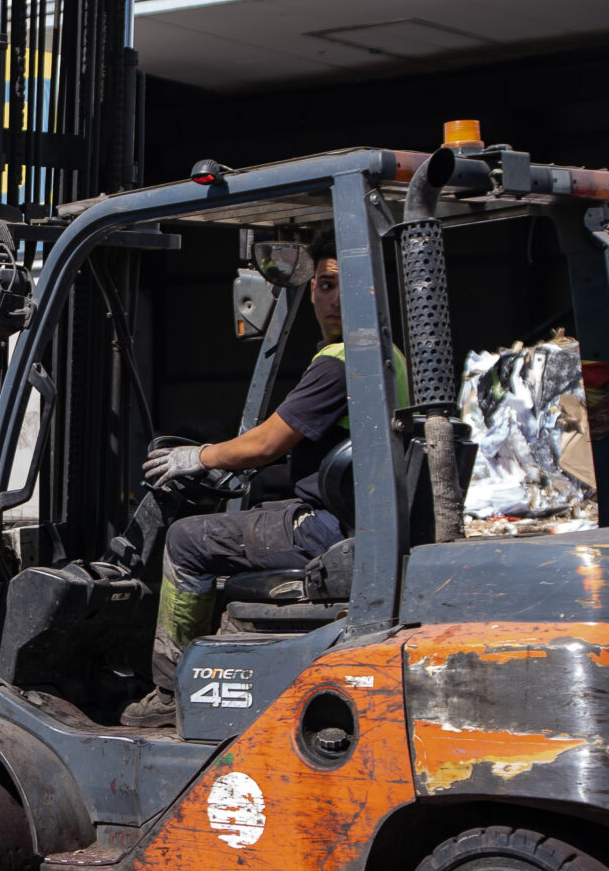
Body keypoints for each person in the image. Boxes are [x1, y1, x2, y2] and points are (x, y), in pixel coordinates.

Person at [125, 245, 405, 727]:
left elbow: (266, 443)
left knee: (187, 540)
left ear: (375, 293)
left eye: (347, 284)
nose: (335, 298)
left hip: (329, 530)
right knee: (257, 514)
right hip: (356, 519)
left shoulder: (343, 360)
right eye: (325, 285)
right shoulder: (388, 355)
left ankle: (169, 694)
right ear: (311, 291)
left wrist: (197, 457)